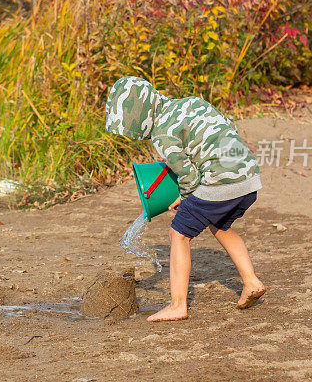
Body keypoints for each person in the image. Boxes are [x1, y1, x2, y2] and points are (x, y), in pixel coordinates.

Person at [104, 76, 266, 321]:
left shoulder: (162, 134)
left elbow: (187, 174)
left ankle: (177, 305)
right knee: (219, 224)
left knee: (178, 233)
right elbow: (228, 127)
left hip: (221, 180)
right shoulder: (191, 103)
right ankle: (251, 281)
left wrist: (185, 198)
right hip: (248, 175)